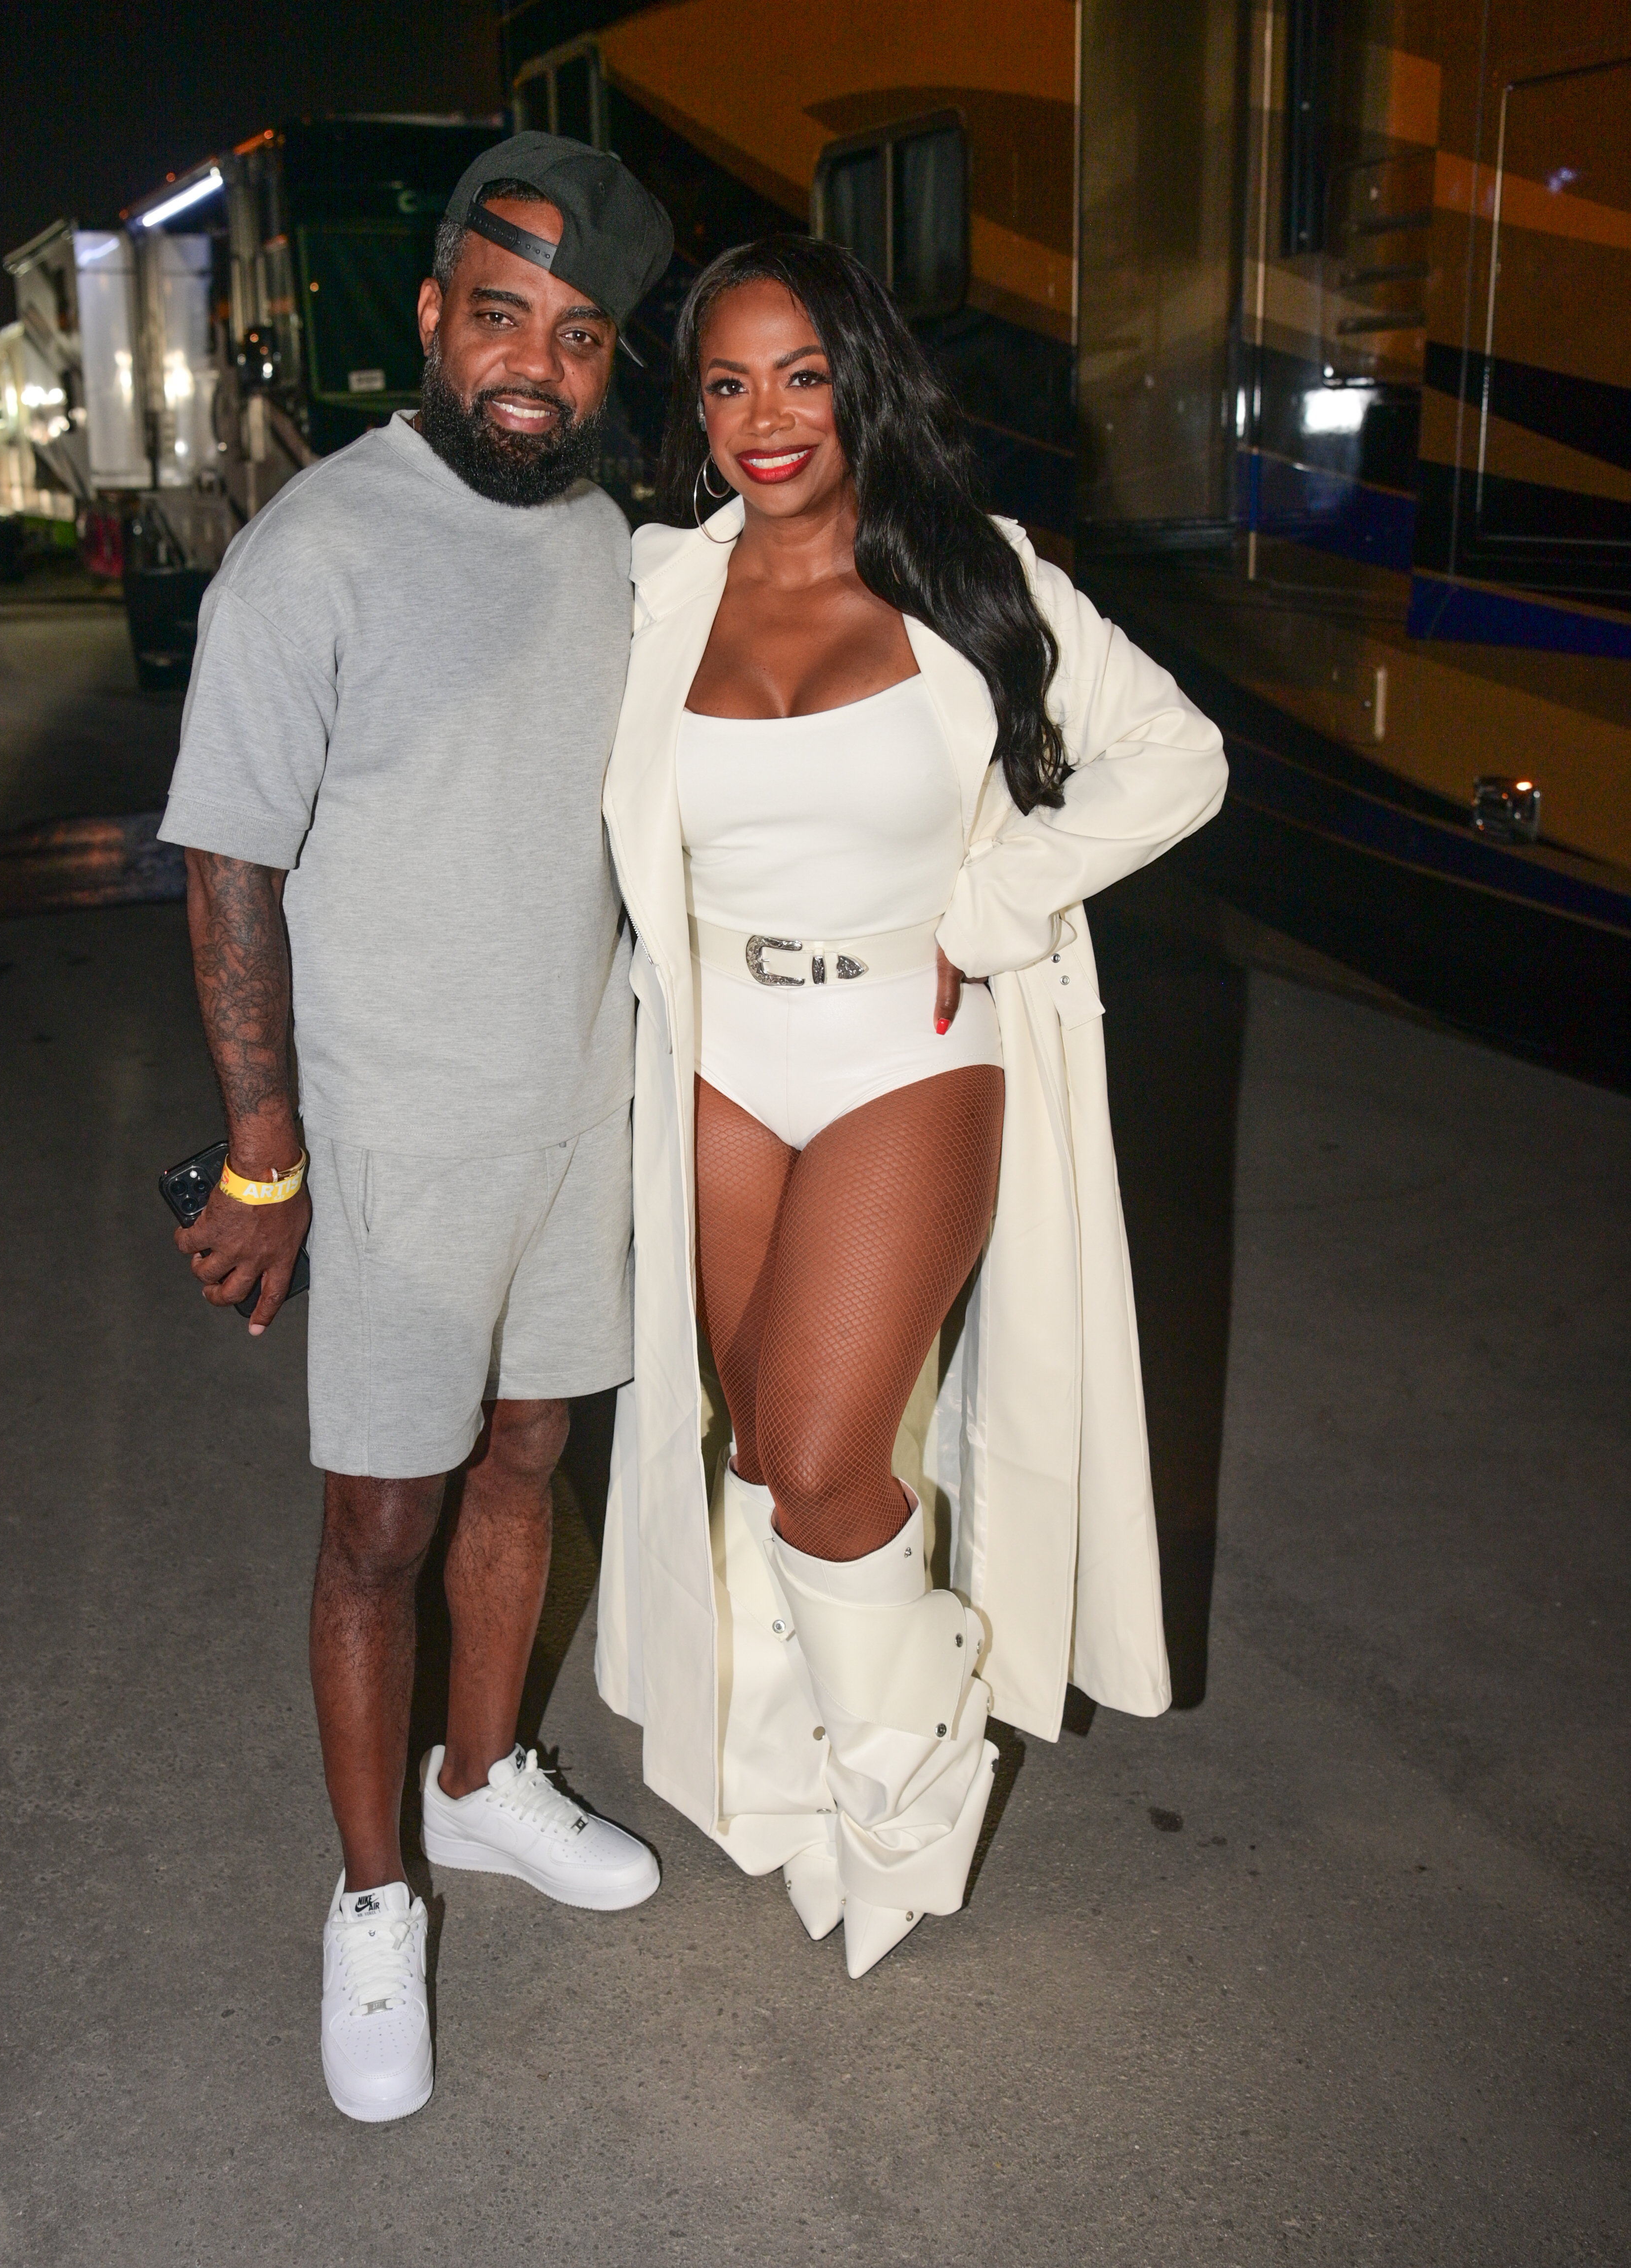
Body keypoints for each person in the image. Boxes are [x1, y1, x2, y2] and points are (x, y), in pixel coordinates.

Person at [595, 237, 1229, 1978]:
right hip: (720, 1054)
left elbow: (1174, 754)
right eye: (723, 384)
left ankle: (904, 1771)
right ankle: (801, 1778)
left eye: (797, 372)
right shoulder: (653, 592)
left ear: (857, 377)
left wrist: (997, 898)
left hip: (909, 1040)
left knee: (813, 1450)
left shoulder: (970, 574)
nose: (762, 418)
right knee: (760, 1452)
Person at [156, 133, 675, 2124]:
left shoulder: (603, 542)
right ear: (435, 312)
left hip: (570, 1112)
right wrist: (263, 1152)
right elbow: (226, 866)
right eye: (500, 314)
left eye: (577, 331)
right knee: (378, 1524)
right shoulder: (321, 547)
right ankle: (371, 1898)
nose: (534, 362)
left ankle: (480, 1790)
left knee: (530, 1450)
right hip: (385, 1143)